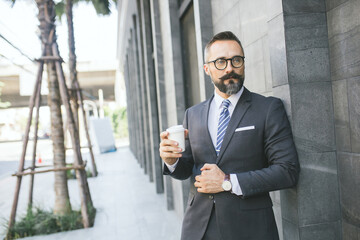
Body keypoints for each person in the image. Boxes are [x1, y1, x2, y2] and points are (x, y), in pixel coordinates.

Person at [159, 31, 300, 240]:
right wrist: (171, 161)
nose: (230, 68)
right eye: (220, 62)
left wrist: (227, 181)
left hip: (250, 229)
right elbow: (187, 169)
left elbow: (287, 171)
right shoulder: (193, 114)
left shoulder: (268, 109)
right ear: (207, 69)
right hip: (198, 229)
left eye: (236, 60)